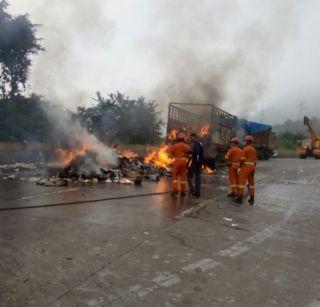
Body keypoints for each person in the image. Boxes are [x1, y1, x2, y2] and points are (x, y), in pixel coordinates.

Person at [237, 135, 257, 206]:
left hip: (246, 167)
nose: (244, 142)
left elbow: (242, 159)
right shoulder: (254, 150)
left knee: (241, 182)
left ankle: (239, 198)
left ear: (248, 141)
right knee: (251, 183)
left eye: (245, 141)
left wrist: (239, 167)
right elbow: (255, 161)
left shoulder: (245, 149)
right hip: (252, 167)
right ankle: (252, 198)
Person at [188, 132, 204, 197]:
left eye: (191, 137)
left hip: (196, 162)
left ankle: (192, 190)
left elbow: (197, 152)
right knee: (198, 177)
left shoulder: (196, 143)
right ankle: (198, 192)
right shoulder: (200, 143)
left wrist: (190, 152)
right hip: (200, 162)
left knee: (189, 175)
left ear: (194, 137)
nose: (190, 138)